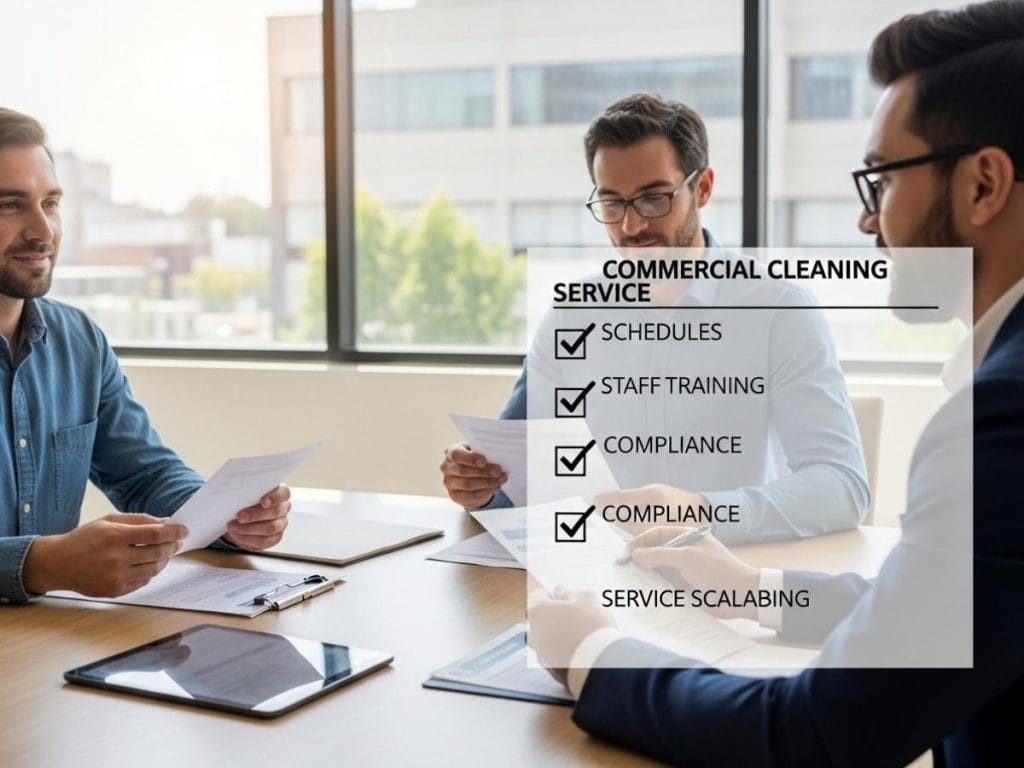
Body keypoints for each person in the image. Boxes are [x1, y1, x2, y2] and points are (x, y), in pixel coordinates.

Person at [528, 2, 1024, 765]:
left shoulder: (1001, 419)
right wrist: (752, 588)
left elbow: (812, 736)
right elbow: (953, 601)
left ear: (984, 184)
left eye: (882, 182)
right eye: (614, 204)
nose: (867, 223)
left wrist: (593, 654)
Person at [442, 93, 868, 543]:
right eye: (612, 203)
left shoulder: (779, 312)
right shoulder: (571, 317)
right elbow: (512, 481)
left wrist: (701, 512)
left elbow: (842, 487)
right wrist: (479, 486)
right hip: (597, 570)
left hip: (733, 569)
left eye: (652, 199)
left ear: (702, 188)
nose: (631, 226)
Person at [0, 108, 291, 604]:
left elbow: (145, 475)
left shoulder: (79, 341)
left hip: (50, 633)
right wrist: (39, 565)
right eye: (10, 205)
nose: (42, 230)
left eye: (50, 203)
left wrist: (230, 517)